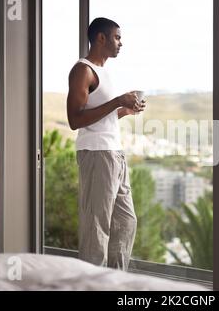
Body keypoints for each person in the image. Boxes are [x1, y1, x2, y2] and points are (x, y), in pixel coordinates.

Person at [66, 17, 145, 270]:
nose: (121, 43)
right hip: (97, 154)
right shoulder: (83, 70)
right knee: (96, 227)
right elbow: (74, 119)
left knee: (125, 222)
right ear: (101, 38)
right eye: (117, 37)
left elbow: (102, 116)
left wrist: (125, 110)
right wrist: (117, 101)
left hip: (114, 154)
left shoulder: (104, 72)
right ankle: (89, 284)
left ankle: (114, 282)